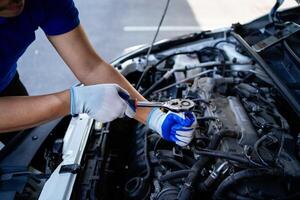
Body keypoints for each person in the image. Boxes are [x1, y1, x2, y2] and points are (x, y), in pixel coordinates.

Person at [0, 0, 196, 146]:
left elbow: (90, 67)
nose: (19, 2)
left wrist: (154, 117)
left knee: (26, 153)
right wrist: (73, 101)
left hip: (6, 82)